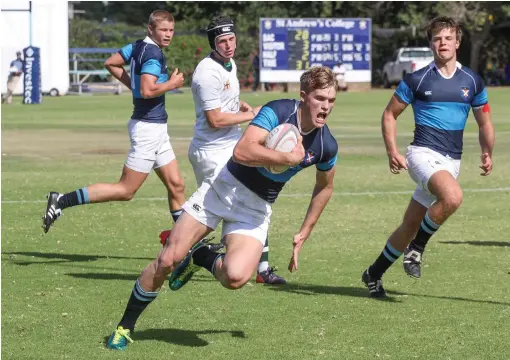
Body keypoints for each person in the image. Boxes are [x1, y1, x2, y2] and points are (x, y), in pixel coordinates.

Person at [106, 66, 338, 350]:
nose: (326, 106)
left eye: (331, 100)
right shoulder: (278, 111)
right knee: (167, 260)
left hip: (255, 207)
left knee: (236, 276)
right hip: (223, 188)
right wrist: (285, 157)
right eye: (320, 98)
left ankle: (201, 255)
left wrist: (304, 231)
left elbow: (325, 186)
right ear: (304, 97)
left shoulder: (327, 144)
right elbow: (242, 151)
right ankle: (125, 326)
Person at [362, 16, 494, 298]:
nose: (442, 43)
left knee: (410, 225)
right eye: (437, 38)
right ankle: (417, 249)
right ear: (430, 43)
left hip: (452, 161)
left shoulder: (473, 80)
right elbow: (389, 114)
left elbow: (484, 123)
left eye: (448, 38)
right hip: (422, 154)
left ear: (457, 42)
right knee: (453, 197)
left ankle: (373, 273)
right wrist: (392, 151)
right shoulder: (417, 78)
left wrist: (486, 152)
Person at [159, 17, 285, 284]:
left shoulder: (229, 63)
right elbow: (215, 119)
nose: (228, 45)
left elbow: (229, 103)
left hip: (231, 146)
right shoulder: (206, 73)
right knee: (237, 204)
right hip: (211, 152)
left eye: (231, 39)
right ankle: (195, 253)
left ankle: (258, 268)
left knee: (256, 196)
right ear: (213, 44)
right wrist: (251, 115)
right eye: (222, 41)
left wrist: (241, 107)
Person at [42, 10, 186, 233]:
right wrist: (173, 84)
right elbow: (148, 90)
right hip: (148, 129)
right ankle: (61, 200)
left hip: (156, 129)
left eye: (171, 30)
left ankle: (186, 244)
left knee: (176, 185)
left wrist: (134, 86)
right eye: (163, 30)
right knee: (126, 190)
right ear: (151, 29)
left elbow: (111, 63)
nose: (168, 35)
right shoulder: (153, 54)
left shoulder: (138, 46)